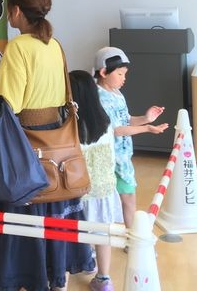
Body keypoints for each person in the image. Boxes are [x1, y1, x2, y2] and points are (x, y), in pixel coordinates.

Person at [0, 0, 93, 291]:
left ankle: (25, 277)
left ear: (16, 10)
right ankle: (56, 276)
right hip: (56, 144)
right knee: (53, 210)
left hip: (25, 144)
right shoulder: (53, 45)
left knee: (23, 212)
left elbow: (11, 102)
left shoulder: (18, 47)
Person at [94, 47, 169, 229]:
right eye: (120, 74)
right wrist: (146, 129)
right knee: (123, 198)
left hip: (122, 157)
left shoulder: (116, 93)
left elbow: (126, 120)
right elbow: (117, 130)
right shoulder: (99, 97)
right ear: (103, 72)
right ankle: (127, 236)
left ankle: (130, 236)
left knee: (127, 198)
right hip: (110, 159)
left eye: (124, 74)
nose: (124, 78)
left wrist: (146, 118)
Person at [70, 70, 123, 291]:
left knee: (71, 233)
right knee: (102, 234)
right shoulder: (105, 121)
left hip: (80, 191)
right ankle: (104, 279)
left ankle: (71, 271)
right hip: (105, 189)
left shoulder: (71, 125)